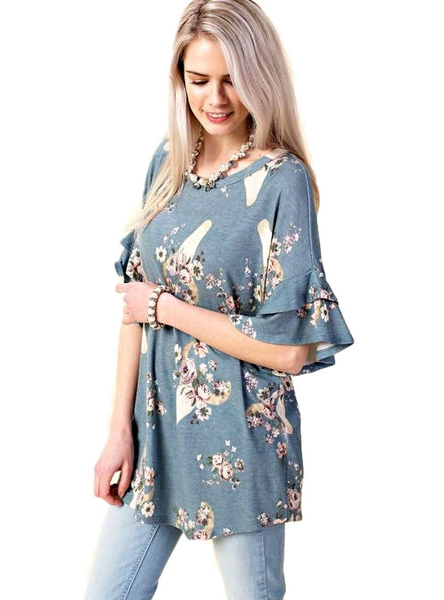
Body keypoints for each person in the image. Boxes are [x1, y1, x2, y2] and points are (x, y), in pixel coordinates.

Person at [84, 1, 354, 598]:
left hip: (242, 439)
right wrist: (118, 431)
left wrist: (168, 308)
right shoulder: (168, 161)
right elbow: (133, 305)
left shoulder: (282, 180)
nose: (216, 98)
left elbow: (290, 350)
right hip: (154, 437)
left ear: (261, 76)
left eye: (232, 79)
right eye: (199, 79)